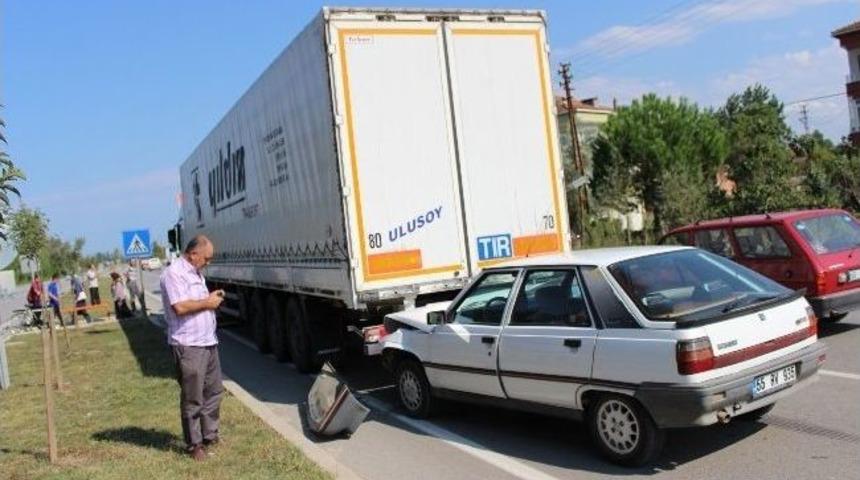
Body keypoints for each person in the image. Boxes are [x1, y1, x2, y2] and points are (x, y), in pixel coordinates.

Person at [160, 235, 225, 461]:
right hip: (189, 345)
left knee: (214, 391)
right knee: (193, 397)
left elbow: (195, 302)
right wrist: (207, 303)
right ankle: (194, 444)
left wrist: (209, 299)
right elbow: (179, 307)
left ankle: (210, 434)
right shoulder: (174, 274)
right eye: (206, 258)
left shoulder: (196, 272)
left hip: (208, 342)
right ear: (193, 254)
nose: (208, 262)